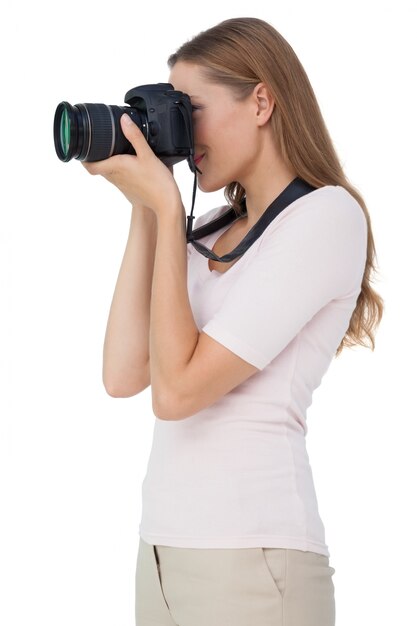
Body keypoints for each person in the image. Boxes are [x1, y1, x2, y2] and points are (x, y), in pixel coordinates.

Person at [82, 17, 384, 626]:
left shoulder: (326, 218)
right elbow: (123, 374)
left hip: (253, 559)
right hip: (160, 553)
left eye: (190, 109)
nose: (182, 132)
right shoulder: (208, 227)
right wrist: (149, 205)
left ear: (262, 102)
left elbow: (177, 393)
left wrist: (167, 211)